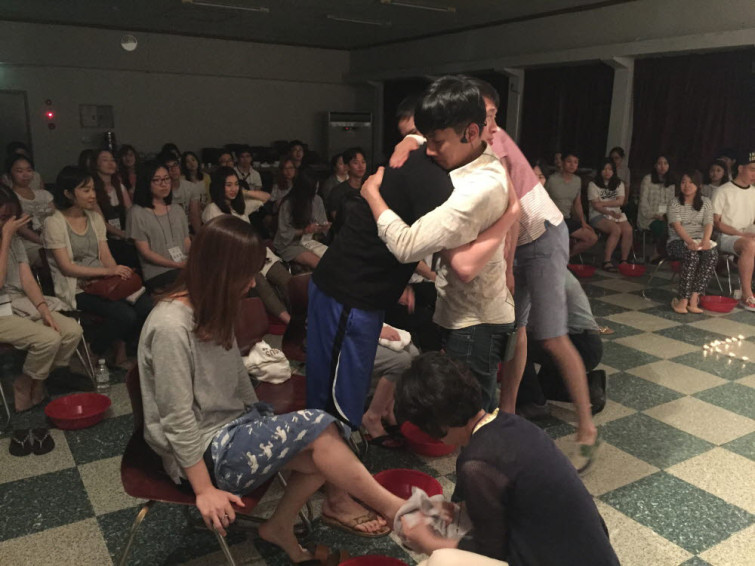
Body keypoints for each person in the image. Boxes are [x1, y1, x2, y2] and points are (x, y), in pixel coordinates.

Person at [139, 216, 404, 561]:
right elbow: (177, 419)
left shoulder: (212, 307)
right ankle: (397, 510)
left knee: (326, 447)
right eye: (246, 275)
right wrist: (203, 489)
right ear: (220, 272)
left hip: (231, 430)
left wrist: (257, 419)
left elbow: (236, 375)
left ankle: (280, 527)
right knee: (320, 429)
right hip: (201, 454)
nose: (252, 284)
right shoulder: (171, 327)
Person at [390, 78, 600, 471]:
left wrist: (506, 269)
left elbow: (512, 210)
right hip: (509, 240)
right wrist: (409, 141)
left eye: (492, 115)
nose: (492, 124)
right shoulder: (463, 140)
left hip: (541, 235)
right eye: (486, 115)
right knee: (514, 328)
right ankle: (507, 412)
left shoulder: (492, 143)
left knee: (550, 335)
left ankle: (587, 429)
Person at [361, 75, 517, 414]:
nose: (429, 151)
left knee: (472, 415)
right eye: (427, 138)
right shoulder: (474, 151)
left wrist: (371, 194)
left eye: (436, 142)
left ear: (471, 132)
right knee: (465, 407)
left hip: (475, 321)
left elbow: (406, 246)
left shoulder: (477, 188)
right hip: (464, 311)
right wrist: (412, 138)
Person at [394, 352, 620, 566]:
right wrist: (458, 508)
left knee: (441, 560)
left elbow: (490, 549)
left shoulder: (476, 464)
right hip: (594, 556)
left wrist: (427, 542)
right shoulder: (511, 424)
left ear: (435, 426)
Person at [44, 166, 152, 367]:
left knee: (146, 306)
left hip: (103, 281)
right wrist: (108, 271)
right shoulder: (54, 222)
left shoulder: (94, 218)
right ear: (68, 193)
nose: (92, 195)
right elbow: (67, 267)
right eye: (85, 190)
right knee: (124, 314)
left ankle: (119, 350)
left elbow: (106, 256)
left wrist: (117, 276)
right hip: (77, 287)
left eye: (93, 189)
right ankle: (93, 351)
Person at [0, 187, 82, 412]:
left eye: (10, 218)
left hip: (19, 303)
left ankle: (34, 380)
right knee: (48, 339)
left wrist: (44, 310)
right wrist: (6, 238)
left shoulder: (14, 240)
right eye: (3, 218)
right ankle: (26, 383)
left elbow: (27, 280)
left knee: (71, 331)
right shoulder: (9, 238)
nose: (8, 223)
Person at [203, 167, 291, 324]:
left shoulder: (240, 205)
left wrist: (242, 192)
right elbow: (217, 243)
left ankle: (304, 312)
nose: (233, 188)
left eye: (236, 184)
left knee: (286, 280)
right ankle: (289, 321)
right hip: (235, 259)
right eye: (228, 185)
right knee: (260, 283)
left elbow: (266, 197)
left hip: (257, 253)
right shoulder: (212, 209)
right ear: (219, 186)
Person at [516, 271, 606, 418]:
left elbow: (519, 324)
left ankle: (532, 403)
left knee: (513, 344)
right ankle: (590, 387)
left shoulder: (533, 270)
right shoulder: (550, 264)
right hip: (586, 342)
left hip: (580, 345)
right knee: (545, 387)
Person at [128, 161, 191, 293]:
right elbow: (146, 252)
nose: (164, 184)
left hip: (183, 265)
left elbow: (186, 242)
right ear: (146, 183)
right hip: (158, 272)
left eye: (166, 179)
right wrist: (177, 264)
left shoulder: (177, 209)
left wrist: (193, 259)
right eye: (157, 180)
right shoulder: (137, 213)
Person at [668, 170, 718, 314]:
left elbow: (709, 223)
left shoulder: (706, 202)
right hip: (678, 241)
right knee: (692, 255)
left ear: (699, 185)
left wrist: (706, 240)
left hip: (699, 240)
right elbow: (677, 226)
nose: (687, 185)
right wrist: (689, 242)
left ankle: (694, 298)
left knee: (712, 255)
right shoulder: (674, 202)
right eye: (683, 182)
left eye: (691, 182)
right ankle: (683, 300)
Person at [712, 149, 755, 310]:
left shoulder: (754, 192)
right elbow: (716, 223)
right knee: (749, 245)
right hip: (726, 236)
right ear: (741, 168)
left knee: (751, 242)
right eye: (752, 169)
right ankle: (746, 294)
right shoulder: (723, 191)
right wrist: (742, 234)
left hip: (746, 233)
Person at [545, 151, 598, 258]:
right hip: (551, 220)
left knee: (592, 238)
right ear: (563, 162)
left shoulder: (577, 180)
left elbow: (577, 203)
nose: (572, 165)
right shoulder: (552, 179)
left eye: (575, 162)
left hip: (566, 219)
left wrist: (583, 222)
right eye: (569, 161)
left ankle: (566, 258)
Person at [4, 154, 54, 267]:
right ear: (10, 174)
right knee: (54, 255)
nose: (25, 175)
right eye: (19, 171)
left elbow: (57, 218)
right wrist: (46, 242)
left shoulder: (44, 194)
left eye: (29, 170)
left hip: (52, 236)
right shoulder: (10, 198)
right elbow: (22, 230)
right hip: (28, 243)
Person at [274, 170, 329, 270]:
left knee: (332, 258)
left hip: (311, 240)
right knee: (319, 264)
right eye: (313, 188)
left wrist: (323, 227)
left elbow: (322, 223)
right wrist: (304, 230)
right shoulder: (288, 204)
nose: (316, 189)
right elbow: (284, 233)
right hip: (290, 244)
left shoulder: (317, 199)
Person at [588, 159, 633, 271]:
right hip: (598, 215)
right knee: (616, 230)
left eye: (610, 169)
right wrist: (609, 212)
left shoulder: (619, 184)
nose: (607, 172)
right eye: (604, 169)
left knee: (628, 230)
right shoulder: (593, 184)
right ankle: (607, 261)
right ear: (600, 171)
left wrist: (603, 203)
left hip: (616, 214)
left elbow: (620, 202)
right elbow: (596, 206)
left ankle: (624, 260)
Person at [638, 155, 676, 260]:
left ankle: (663, 253)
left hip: (665, 216)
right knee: (663, 228)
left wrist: (667, 215)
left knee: (677, 227)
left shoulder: (671, 182)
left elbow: (671, 203)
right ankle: (658, 253)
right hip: (649, 217)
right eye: (659, 163)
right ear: (655, 165)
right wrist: (655, 215)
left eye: (665, 163)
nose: (662, 166)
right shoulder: (648, 179)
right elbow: (643, 203)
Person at [160, 152, 202, 234]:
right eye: (168, 167)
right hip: (168, 229)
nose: (173, 169)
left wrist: (199, 236)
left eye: (175, 165)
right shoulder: (160, 190)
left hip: (188, 227)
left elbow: (194, 215)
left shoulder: (191, 187)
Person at [326, 147, 367, 221]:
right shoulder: (337, 192)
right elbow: (337, 219)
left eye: (363, 162)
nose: (361, 166)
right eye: (355, 163)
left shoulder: (370, 188)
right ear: (346, 166)